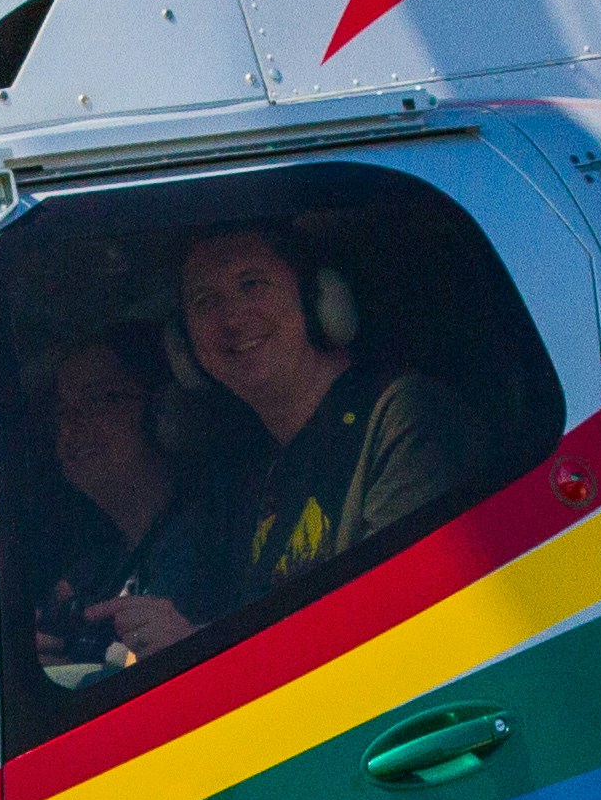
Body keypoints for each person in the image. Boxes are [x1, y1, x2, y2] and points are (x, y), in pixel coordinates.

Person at [178, 221, 468, 599]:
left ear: (320, 299)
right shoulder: (246, 474)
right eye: (206, 302)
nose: (232, 318)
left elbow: (399, 608)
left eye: (252, 285)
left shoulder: (404, 418)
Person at [28, 332, 221, 674]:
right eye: (63, 412)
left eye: (100, 400)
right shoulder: (88, 574)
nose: (73, 426)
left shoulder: (220, 538)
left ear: (165, 411)